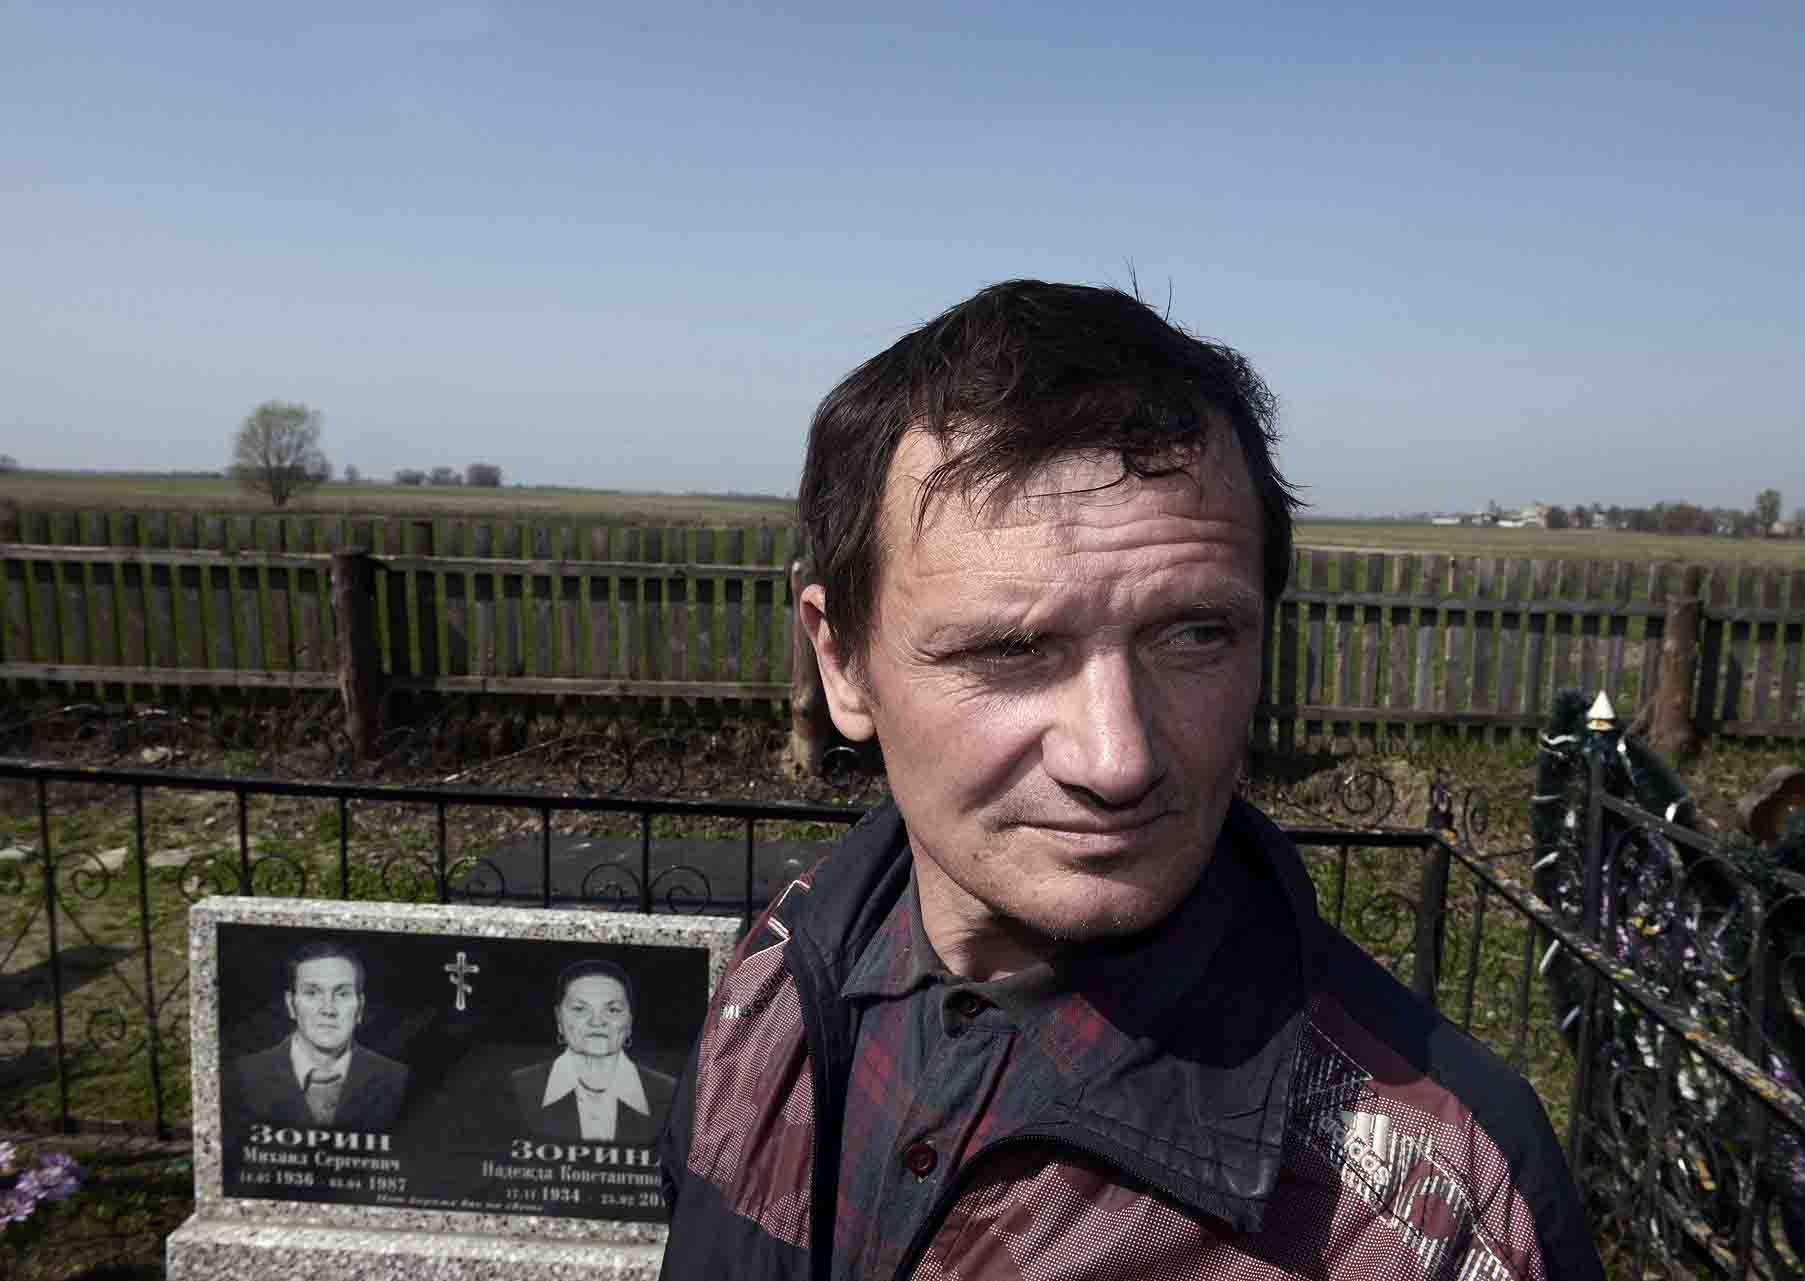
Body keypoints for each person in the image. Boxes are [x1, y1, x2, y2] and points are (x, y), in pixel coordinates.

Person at [657, 280, 1602, 1279]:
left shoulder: (1441, 1216)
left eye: (1194, 635)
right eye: (1011, 651)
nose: (1119, 761)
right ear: (842, 663)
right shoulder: (773, 976)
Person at [226, 940, 408, 1131]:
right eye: (312, 993)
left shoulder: (399, 1080)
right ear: (291, 1004)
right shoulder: (243, 1076)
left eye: (342, 994)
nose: (328, 1009)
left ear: (360, 1007)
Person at [511, 960, 676, 1144]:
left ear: (629, 1022)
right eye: (580, 1009)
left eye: (612, 1010)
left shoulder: (670, 1094)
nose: (597, 1022)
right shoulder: (517, 1088)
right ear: (559, 1019)